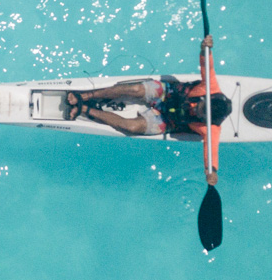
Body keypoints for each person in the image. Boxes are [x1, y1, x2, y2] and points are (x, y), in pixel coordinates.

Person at [65, 35, 225, 184]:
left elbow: (211, 154)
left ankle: (84, 110)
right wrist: (205, 49)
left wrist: (211, 172)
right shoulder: (211, 87)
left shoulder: (212, 129)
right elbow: (207, 66)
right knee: (135, 89)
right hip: (168, 93)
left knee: (131, 127)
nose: (194, 109)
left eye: (199, 113)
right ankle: (86, 95)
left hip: (169, 121)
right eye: (199, 106)